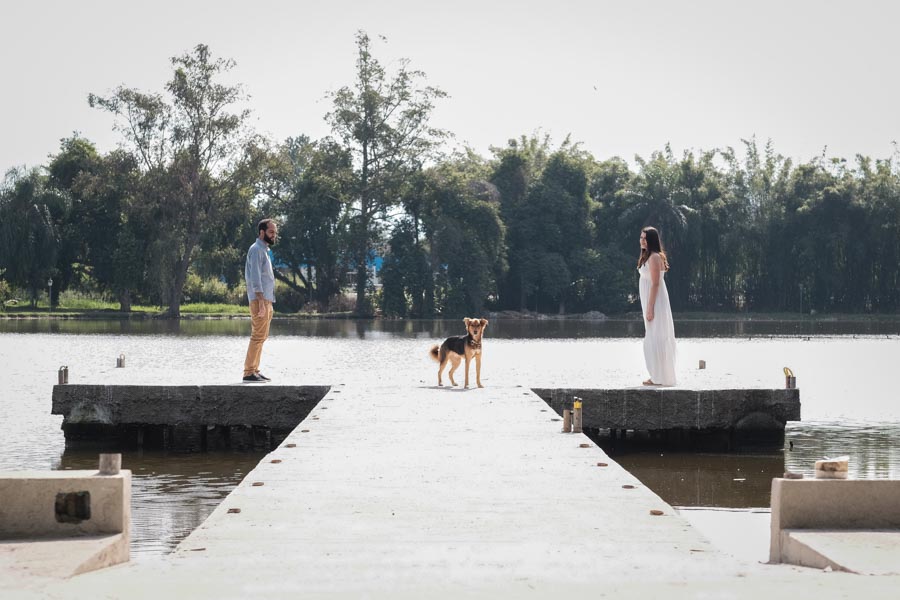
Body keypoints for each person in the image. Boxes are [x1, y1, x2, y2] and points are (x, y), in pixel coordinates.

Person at [638, 226, 676, 386]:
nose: (642, 241)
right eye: (641, 238)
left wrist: (650, 307)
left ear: (651, 240)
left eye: (645, 238)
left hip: (655, 301)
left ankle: (659, 376)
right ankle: (657, 375)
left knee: (656, 336)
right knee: (653, 335)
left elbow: (655, 284)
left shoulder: (654, 257)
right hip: (649, 300)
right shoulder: (647, 256)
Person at [243, 219, 278, 382]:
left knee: (262, 336)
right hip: (260, 301)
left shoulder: (264, 250)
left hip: (266, 300)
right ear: (262, 232)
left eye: (275, 232)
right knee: (257, 336)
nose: (274, 235)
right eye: (271, 232)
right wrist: (262, 302)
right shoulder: (256, 250)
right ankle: (248, 372)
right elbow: (255, 279)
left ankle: (255, 370)